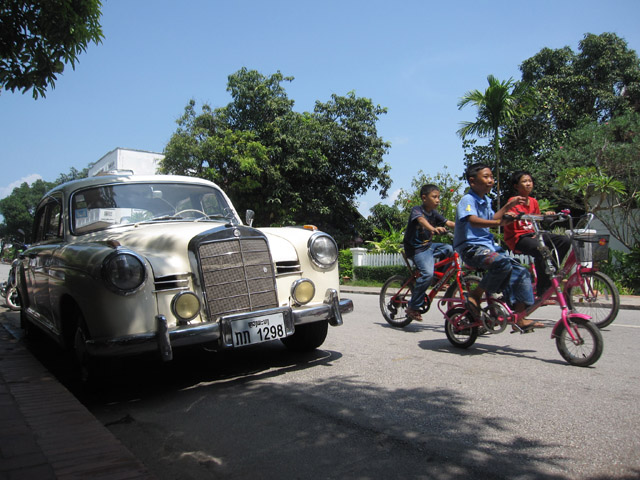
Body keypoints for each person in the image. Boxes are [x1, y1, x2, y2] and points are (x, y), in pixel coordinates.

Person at [453, 163, 542, 330]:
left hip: (488, 247)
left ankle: (519, 317)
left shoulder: (486, 200)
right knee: (503, 263)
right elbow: (472, 220)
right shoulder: (468, 199)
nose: (491, 180)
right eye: (486, 177)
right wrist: (498, 222)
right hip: (471, 248)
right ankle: (475, 294)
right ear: (472, 181)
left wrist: (508, 208)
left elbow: (492, 217)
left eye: (491, 177)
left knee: (522, 271)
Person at [503, 171, 571, 297]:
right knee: (542, 249)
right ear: (516, 186)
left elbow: (537, 219)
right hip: (519, 237)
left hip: (534, 234)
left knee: (564, 240)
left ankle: (551, 271)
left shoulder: (534, 202)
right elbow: (512, 217)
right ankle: (543, 290)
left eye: (530, 181)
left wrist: (546, 216)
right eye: (524, 181)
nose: (528, 184)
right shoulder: (513, 201)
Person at [403, 184, 455, 321]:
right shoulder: (417, 210)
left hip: (429, 246)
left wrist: (466, 225)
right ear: (424, 198)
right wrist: (433, 228)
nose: (438, 200)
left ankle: (439, 281)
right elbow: (421, 220)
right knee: (427, 273)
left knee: (450, 250)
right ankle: (413, 307)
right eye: (434, 197)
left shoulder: (434, 213)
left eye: (439, 197)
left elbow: (448, 222)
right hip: (416, 249)